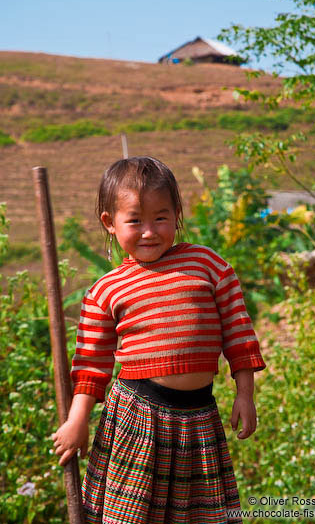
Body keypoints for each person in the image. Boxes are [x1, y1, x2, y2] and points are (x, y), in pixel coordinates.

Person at [52, 156, 266, 524]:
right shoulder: (107, 290)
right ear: (110, 223)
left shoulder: (208, 266)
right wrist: (77, 420)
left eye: (160, 218)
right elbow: (91, 365)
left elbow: (239, 335)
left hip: (199, 421)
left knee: (199, 516)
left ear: (177, 214)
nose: (149, 231)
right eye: (135, 220)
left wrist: (245, 395)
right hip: (135, 420)